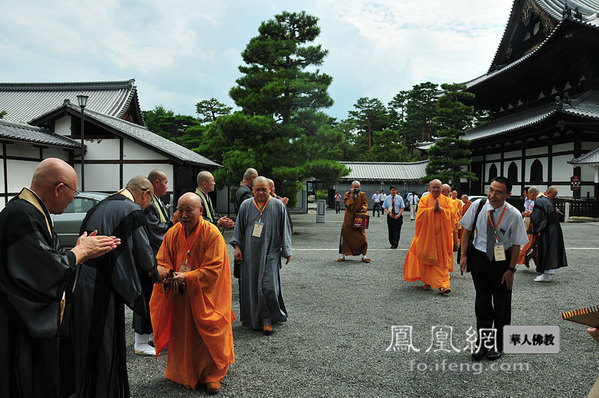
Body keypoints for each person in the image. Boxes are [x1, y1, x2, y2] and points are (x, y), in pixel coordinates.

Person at [0, 158, 119, 398]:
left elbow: (44, 258)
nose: (74, 198)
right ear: (59, 188)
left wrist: (75, 251)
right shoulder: (22, 214)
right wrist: (80, 252)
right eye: (73, 191)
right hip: (17, 322)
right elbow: (42, 270)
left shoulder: (29, 209)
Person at [62, 176, 165, 398]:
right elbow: (145, 256)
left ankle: (85, 389)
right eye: (150, 200)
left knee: (86, 339)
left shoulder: (101, 205)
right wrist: (156, 273)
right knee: (106, 342)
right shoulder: (132, 210)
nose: (148, 206)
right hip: (105, 284)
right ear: (145, 193)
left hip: (83, 279)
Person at [150, 193, 235, 394]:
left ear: (201, 211)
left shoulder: (212, 233)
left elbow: (215, 268)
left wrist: (187, 277)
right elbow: (162, 259)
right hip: (180, 293)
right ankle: (186, 371)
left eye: (189, 210)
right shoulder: (173, 233)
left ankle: (212, 375)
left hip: (206, 294)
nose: (184, 215)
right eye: (180, 210)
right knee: (184, 334)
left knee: (210, 331)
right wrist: (167, 273)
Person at [459, 176, 528, 361]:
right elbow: (466, 230)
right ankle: (483, 343)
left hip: (502, 261)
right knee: (482, 302)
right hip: (480, 257)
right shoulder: (478, 206)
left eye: (498, 192)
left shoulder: (513, 214)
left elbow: (516, 245)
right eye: (491, 190)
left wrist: (511, 270)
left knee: (502, 304)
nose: (492, 195)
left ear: (508, 194)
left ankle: (499, 344)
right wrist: (464, 255)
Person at [230, 176, 292, 335]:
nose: (261, 192)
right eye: (257, 189)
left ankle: (267, 318)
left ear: (270, 189)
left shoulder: (278, 206)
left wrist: (286, 251)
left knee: (269, 287)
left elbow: (285, 229)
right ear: (252, 190)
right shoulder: (246, 205)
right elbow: (239, 229)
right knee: (252, 287)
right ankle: (260, 319)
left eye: (264, 189)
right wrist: (237, 247)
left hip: (271, 252)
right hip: (250, 254)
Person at [132, 169, 173, 356]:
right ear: (155, 184)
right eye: (165, 182)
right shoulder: (147, 204)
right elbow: (155, 230)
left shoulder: (156, 201)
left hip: (155, 255)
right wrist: (172, 224)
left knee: (153, 297)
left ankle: (149, 334)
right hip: (148, 256)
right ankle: (140, 340)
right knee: (145, 295)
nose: (167, 186)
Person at [403, 179, 455, 294]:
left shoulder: (447, 201)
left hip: (442, 238)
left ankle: (443, 285)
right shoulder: (424, 200)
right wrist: (432, 210)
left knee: (441, 261)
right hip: (427, 237)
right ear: (429, 188)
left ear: (442, 188)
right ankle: (427, 280)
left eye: (438, 187)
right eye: (434, 187)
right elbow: (419, 217)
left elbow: (453, 217)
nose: (436, 189)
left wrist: (441, 211)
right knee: (427, 258)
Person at [531, 186, 567, 282]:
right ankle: (548, 273)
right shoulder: (547, 200)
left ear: (532, 194)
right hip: (554, 227)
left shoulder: (539, 201)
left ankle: (545, 275)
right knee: (552, 249)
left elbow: (536, 217)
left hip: (547, 229)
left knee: (546, 249)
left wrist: (535, 227)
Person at [338, 181, 370, 263]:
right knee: (345, 237)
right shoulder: (347, 194)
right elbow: (347, 204)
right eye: (355, 187)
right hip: (349, 219)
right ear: (351, 187)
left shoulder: (362, 194)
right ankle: (343, 256)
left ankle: (364, 255)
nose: (357, 188)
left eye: (358, 187)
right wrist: (352, 195)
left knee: (362, 238)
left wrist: (364, 208)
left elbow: (365, 203)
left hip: (359, 219)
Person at [517, 186, 539, 268]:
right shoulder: (526, 199)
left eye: (524, 192)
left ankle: (526, 255)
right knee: (529, 239)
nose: (523, 194)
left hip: (532, 219)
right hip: (527, 218)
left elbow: (535, 212)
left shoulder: (536, 201)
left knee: (532, 240)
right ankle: (527, 255)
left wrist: (530, 214)